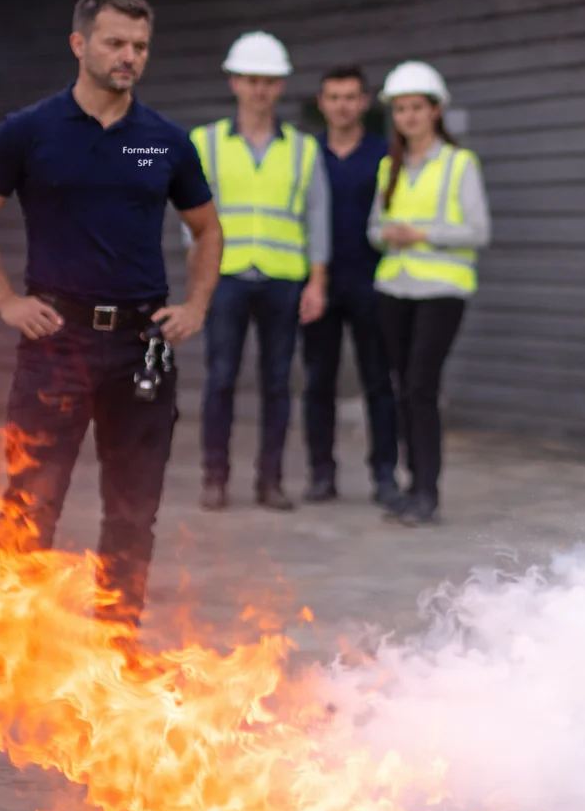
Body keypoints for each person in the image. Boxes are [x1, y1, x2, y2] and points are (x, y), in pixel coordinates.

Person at [0, 0, 221, 629]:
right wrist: (8, 302)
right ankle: (11, 649)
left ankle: (118, 643)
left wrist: (197, 305)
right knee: (32, 502)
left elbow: (206, 229)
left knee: (132, 510)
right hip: (56, 345)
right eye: (116, 43)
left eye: (140, 46)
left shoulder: (162, 143)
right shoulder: (28, 132)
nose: (129, 56)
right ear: (79, 44)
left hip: (140, 350)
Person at [190, 31, 331, 512]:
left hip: (283, 279)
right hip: (225, 278)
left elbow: (317, 218)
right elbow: (191, 216)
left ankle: (269, 482)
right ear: (234, 82)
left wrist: (317, 281)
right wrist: (198, 280)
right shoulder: (204, 143)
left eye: (268, 81)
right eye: (250, 80)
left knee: (276, 383)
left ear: (280, 87)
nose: (259, 89)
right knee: (221, 379)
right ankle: (215, 479)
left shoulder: (303, 149)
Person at [367, 61, 491, 526]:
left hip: (442, 290)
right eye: (400, 109)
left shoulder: (460, 164)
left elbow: (478, 230)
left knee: (421, 387)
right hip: (394, 289)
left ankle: (427, 493)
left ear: (435, 110)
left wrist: (418, 232)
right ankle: (409, 485)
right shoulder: (388, 166)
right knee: (403, 389)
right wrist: (389, 234)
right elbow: (374, 230)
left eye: (417, 107)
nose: (408, 117)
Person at [300, 64, 402, 511]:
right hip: (319, 284)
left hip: (371, 284)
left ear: (364, 102)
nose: (342, 106)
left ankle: (384, 475)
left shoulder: (384, 154)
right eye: (333, 97)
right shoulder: (306, 155)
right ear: (322, 103)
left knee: (378, 383)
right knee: (318, 382)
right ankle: (322, 475)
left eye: (350, 97)